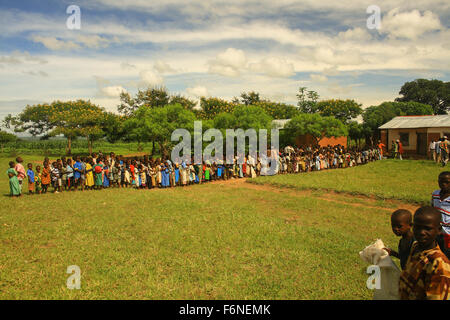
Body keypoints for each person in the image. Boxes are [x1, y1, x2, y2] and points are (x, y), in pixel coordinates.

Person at [398, 206, 450, 300]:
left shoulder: (438, 263)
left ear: (438, 230)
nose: (422, 232)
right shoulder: (415, 247)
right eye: (417, 227)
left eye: (428, 229)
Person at [431, 171, 450, 259]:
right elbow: (432, 209)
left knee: (446, 256)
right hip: (437, 232)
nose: (443, 184)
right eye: (441, 182)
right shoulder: (435, 194)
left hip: (448, 235)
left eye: (447, 182)